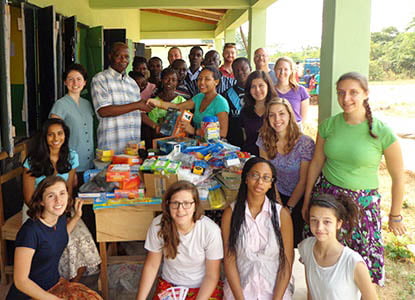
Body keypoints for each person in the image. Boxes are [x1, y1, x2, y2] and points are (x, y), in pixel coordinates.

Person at [302, 72, 406, 286]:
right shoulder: (329, 125)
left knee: (360, 270)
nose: (346, 98)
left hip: (362, 207)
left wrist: (394, 214)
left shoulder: (381, 131)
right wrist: (307, 201)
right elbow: (316, 164)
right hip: (328, 200)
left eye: (353, 92)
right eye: (341, 93)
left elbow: (398, 177)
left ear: (366, 94)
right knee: (325, 259)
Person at [22, 118, 101, 282]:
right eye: (50, 135)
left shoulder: (71, 157)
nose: (56, 138)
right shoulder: (32, 161)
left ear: (65, 135)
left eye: (60, 133)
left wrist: (64, 212)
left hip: (61, 208)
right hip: (37, 211)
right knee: (59, 242)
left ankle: (71, 286)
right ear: (44, 137)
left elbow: (69, 192)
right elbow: (29, 198)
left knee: (81, 239)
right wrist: (49, 215)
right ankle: (50, 282)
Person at [7, 176, 102, 300]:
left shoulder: (59, 218)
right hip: (30, 294)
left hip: (54, 285)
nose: (58, 201)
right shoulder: (30, 232)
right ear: (41, 201)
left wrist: (77, 216)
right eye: (51, 196)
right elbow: (21, 281)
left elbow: (60, 236)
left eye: (62, 193)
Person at [136, 180, 223, 300]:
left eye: (187, 203)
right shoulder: (158, 225)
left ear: (195, 205)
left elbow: (212, 275)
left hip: (202, 288)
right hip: (170, 285)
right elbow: (152, 265)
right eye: (175, 203)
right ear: (168, 205)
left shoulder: (210, 230)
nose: (180, 210)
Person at [222, 157, 294, 300]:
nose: (260, 182)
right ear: (246, 178)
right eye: (255, 175)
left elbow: (286, 262)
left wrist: (277, 298)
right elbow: (229, 259)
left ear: (271, 184)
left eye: (266, 178)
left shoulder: (281, 215)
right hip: (239, 291)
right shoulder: (231, 213)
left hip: (275, 291)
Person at [257, 98, 315, 247]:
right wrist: (278, 203)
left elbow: (304, 180)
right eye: (272, 115)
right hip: (275, 193)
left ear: (290, 115)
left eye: (281, 114)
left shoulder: (305, 143)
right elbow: (268, 176)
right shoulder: (264, 139)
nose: (277, 119)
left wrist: (288, 208)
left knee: (294, 241)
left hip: (299, 197)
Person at [299, 194, 378, 300]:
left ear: (338, 224)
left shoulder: (352, 262)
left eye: (327, 222)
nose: (319, 227)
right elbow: (312, 291)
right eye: (314, 220)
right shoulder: (306, 247)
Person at [91, 42, 150, 154]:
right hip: (111, 149)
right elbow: (103, 111)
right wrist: (137, 105)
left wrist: (155, 126)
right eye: (119, 56)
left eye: (127, 57)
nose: (123, 60)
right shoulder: (100, 79)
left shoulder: (132, 83)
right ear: (110, 56)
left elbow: (139, 113)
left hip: (132, 148)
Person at [147, 66, 230, 138]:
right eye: (200, 79)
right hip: (199, 145)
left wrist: (194, 131)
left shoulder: (220, 103)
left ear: (216, 81)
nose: (202, 82)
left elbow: (223, 133)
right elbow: (177, 107)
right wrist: (158, 103)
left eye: (207, 79)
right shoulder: (199, 97)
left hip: (214, 149)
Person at [49, 63, 94, 174]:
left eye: (79, 79)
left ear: (84, 82)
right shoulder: (60, 105)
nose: (75, 83)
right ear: (65, 82)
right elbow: (52, 135)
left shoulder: (87, 104)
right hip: (70, 164)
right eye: (70, 79)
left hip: (90, 163)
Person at [141, 68, 187, 148]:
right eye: (166, 79)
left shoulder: (182, 101)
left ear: (177, 83)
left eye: (173, 80)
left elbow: (185, 123)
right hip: (159, 142)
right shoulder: (154, 102)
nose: (170, 82)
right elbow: (153, 126)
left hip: (178, 142)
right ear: (161, 80)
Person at [239, 71, 276, 156]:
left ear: (268, 86)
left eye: (261, 85)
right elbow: (245, 138)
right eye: (253, 87)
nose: (257, 90)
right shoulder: (245, 112)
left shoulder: (276, 109)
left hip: (273, 159)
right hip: (250, 157)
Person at [222, 57, 251, 147]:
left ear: (250, 68)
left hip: (255, 143)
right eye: (236, 70)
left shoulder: (258, 92)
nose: (240, 72)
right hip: (234, 144)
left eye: (243, 69)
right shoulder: (226, 95)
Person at [274, 57, 310, 125]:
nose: (282, 72)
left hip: (295, 130)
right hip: (275, 129)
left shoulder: (301, 90)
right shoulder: (269, 90)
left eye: (286, 69)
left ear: (291, 71)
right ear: (275, 70)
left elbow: (303, 118)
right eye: (279, 69)